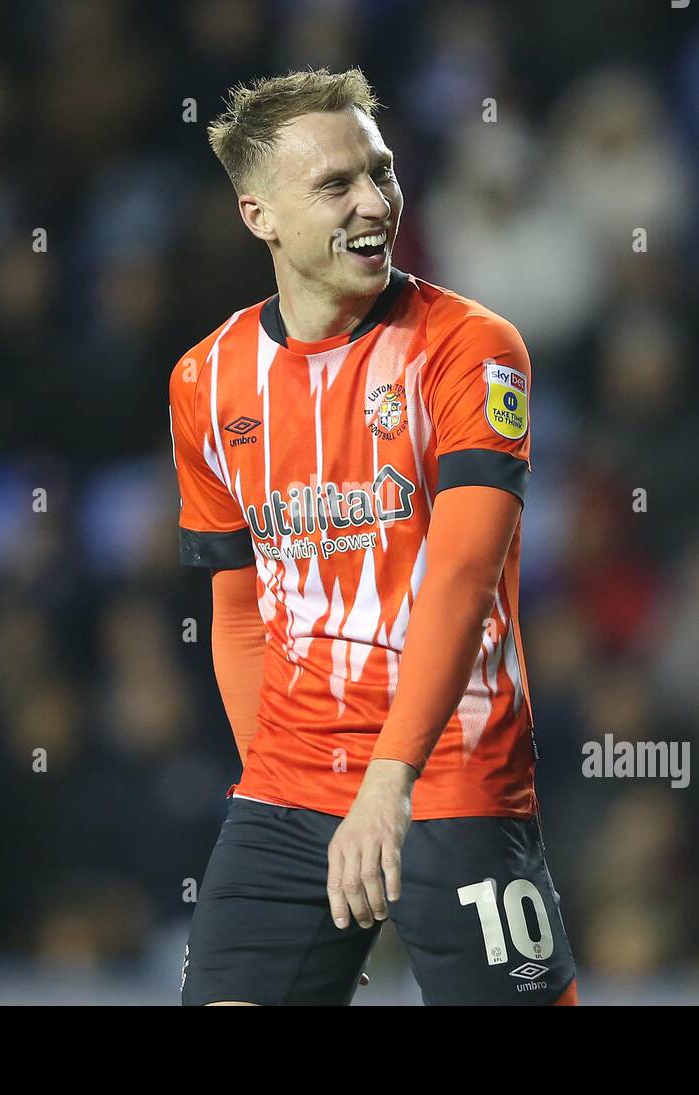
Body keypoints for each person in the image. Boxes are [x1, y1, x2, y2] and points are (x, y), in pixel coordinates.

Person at [168, 67, 578, 1006]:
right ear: (258, 216)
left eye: (381, 171)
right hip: (294, 779)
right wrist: (279, 783)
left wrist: (385, 786)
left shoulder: (470, 347)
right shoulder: (206, 379)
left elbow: (465, 572)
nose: (374, 201)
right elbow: (236, 608)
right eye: (335, 184)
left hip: (451, 767)